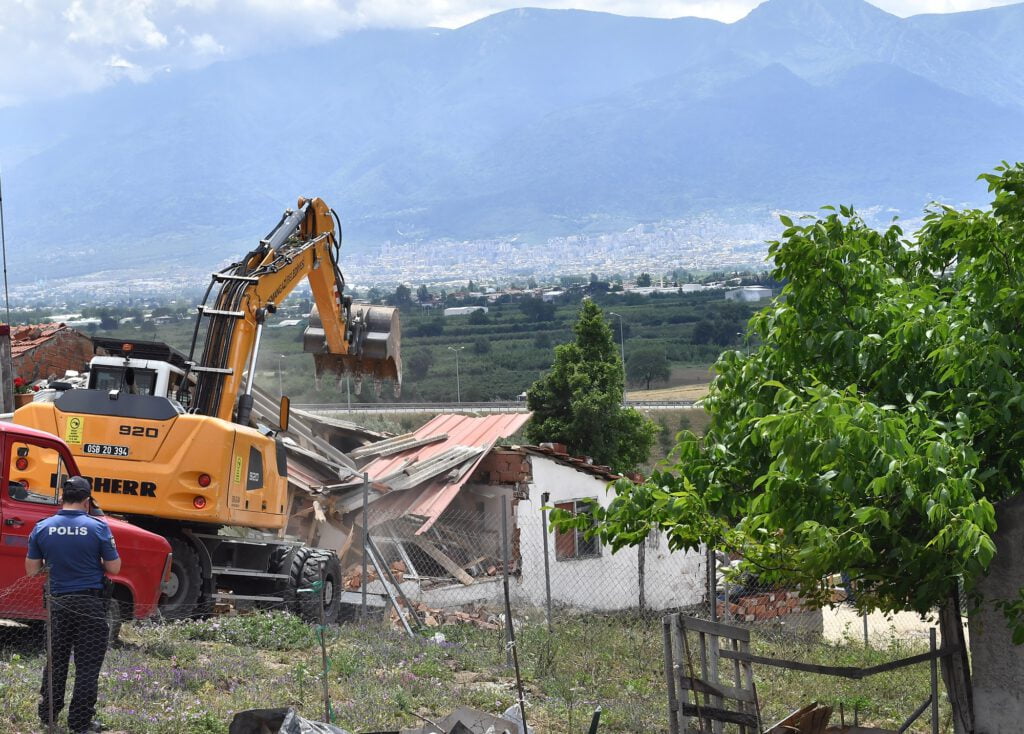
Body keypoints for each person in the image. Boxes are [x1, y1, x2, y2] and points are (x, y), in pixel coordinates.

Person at [25, 475, 120, 734]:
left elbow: (32, 570)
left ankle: (49, 716)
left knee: (56, 662)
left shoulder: (43, 527)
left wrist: (55, 563)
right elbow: (114, 567)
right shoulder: (98, 528)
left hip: (58, 603)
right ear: (87, 501)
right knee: (87, 666)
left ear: (61, 498)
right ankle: (80, 723)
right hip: (90, 604)